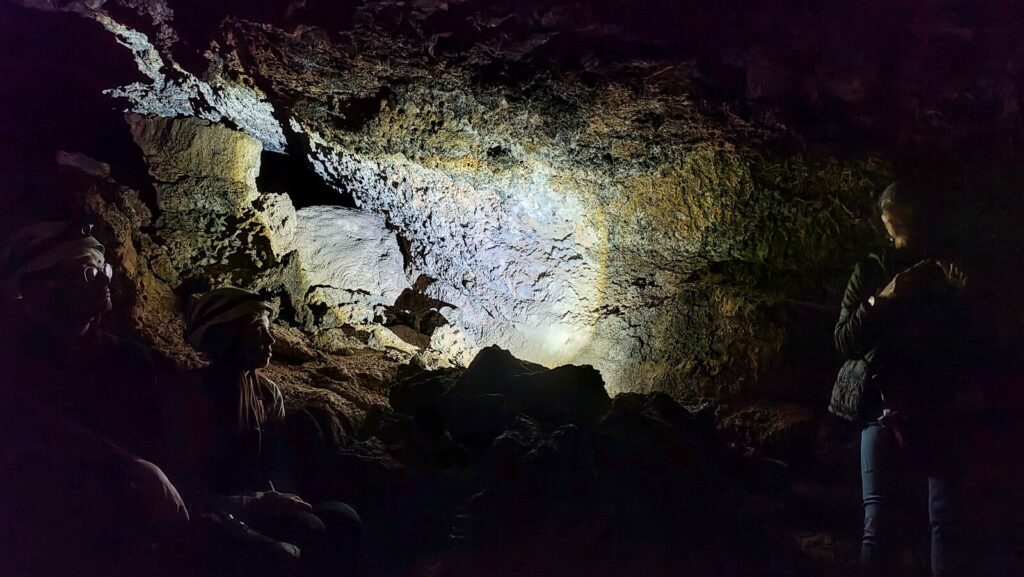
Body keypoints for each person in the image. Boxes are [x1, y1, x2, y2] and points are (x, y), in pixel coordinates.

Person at [0, 221, 190, 576]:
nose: (105, 281)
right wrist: (123, 465)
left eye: (102, 269)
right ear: (38, 289)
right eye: (88, 272)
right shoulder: (14, 364)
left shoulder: (130, 363)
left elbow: (162, 452)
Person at [834, 182, 971, 577]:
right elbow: (843, 340)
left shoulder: (943, 273)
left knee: (944, 523)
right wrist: (882, 299)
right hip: (885, 407)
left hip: (937, 410)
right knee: (879, 525)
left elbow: (969, 345)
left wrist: (965, 297)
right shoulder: (872, 271)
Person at [178, 287, 362, 577]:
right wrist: (254, 507)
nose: (271, 339)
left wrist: (283, 500)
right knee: (308, 531)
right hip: (217, 510)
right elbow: (187, 485)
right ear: (225, 337)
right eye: (258, 331)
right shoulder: (192, 395)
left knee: (343, 516)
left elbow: (276, 465)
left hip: (263, 500)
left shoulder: (266, 393)